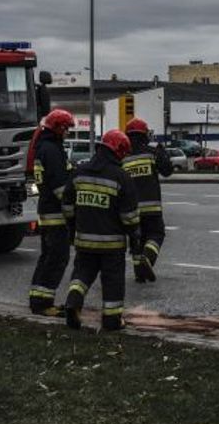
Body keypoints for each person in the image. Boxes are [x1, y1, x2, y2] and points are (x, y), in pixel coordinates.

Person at [65, 129, 140, 331]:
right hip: (112, 244)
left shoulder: (79, 172)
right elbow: (129, 217)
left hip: (83, 241)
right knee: (113, 282)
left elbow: (67, 207)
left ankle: (72, 302)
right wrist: (135, 237)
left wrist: (72, 229)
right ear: (119, 152)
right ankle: (112, 321)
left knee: (82, 275)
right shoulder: (121, 177)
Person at [27, 109, 75, 317]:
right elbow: (60, 188)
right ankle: (44, 304)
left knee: (47, 257)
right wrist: (73, 211)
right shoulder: (52, 151)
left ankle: (38, 299)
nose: (67, 133)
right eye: (66, 129)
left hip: (46, 212)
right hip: (56, 215)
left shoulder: (44, 148)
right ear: (58, 128)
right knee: (57, 258)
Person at [122, 117, 174, 283]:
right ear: (144, 135)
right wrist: (163, 154)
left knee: (138, 240)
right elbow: (167, 171)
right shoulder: (151, 154)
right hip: (152, 208)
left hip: (131, 210)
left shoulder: (122, 158)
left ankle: (139, 273)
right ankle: (148, 259)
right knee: (156, 234)